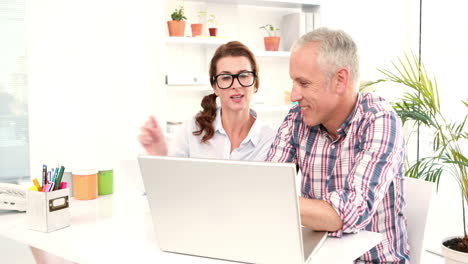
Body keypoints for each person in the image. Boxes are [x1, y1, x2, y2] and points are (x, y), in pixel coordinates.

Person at [266, 27, 410, 263]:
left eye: (303, 83)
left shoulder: (379, 120)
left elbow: (351, 212)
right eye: (294, 82)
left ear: (340, 80)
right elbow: (268, 182)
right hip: (316, 258)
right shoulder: (297, 118)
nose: (293, 95)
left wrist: (271, 199)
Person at [139, 41, 275, 161]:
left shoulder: (270, 139)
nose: (236, 85)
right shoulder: (192, 129)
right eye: (226, 77)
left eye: (244, 75)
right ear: (215, 87)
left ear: (255, 84)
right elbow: (172, 180)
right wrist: (160, 153)